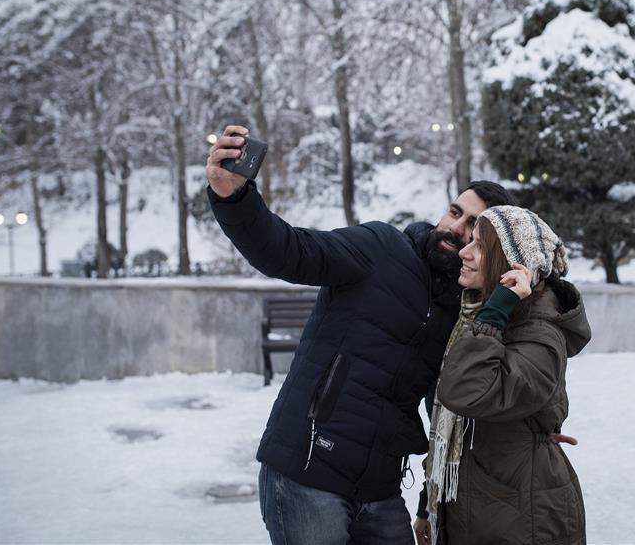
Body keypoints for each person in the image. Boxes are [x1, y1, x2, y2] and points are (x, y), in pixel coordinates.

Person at [205, 125, 516, 545]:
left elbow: (450, 413)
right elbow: (290, 250)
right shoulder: (380, 247)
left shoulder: (459, 312)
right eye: (455, 212)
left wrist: (430, 500)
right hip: (306, 472)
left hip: (379, 491)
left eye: (474, 226)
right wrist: (235, 198)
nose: (455, 227)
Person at [414, 205, 591, 545]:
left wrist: (497, 307)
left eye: (479, 246)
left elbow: (464, 392)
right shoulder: (482, 318)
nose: (464, 252)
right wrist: (428, 506)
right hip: (484, 505)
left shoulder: (538, 333)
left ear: (514, 266)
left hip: (522, 515)